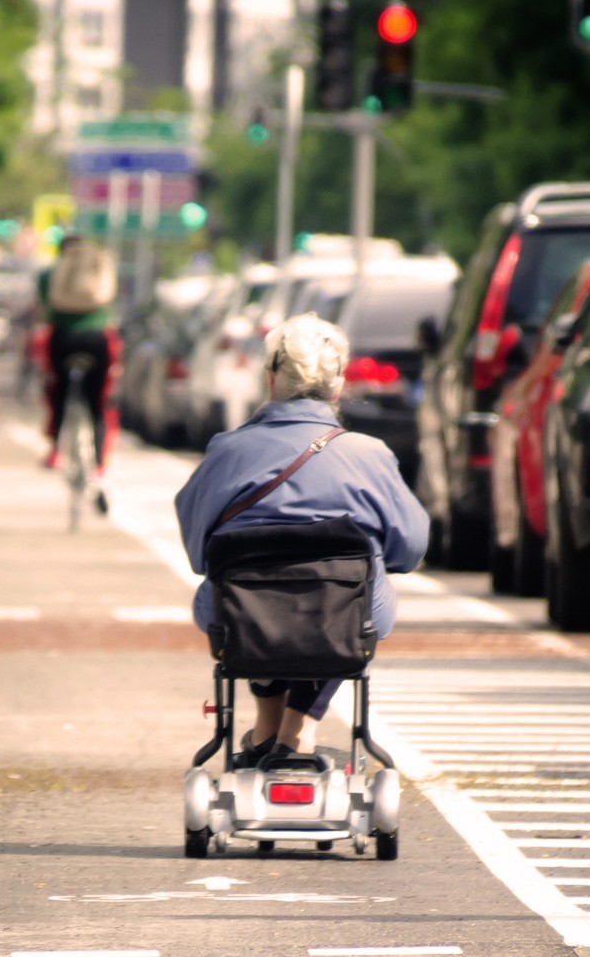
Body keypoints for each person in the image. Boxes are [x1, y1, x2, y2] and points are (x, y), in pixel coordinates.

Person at [173, 313, 429, 760]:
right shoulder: (369, 455)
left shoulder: (226, 452)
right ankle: (299, 729)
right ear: (338, 385)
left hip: (242, 616)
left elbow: (199, 553)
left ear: (271, 380)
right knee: (349, 602)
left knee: (254, 594)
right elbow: (410, 549)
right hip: (342, 615)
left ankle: (270, 725)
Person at [37, 236, 121, 482]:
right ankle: (99, 463)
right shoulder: (98, 268)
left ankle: (55, 451)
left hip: (62, 338)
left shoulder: (50, 274)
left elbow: (45, 305)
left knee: (58, 391)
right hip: (97, 340)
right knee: (98, 403)